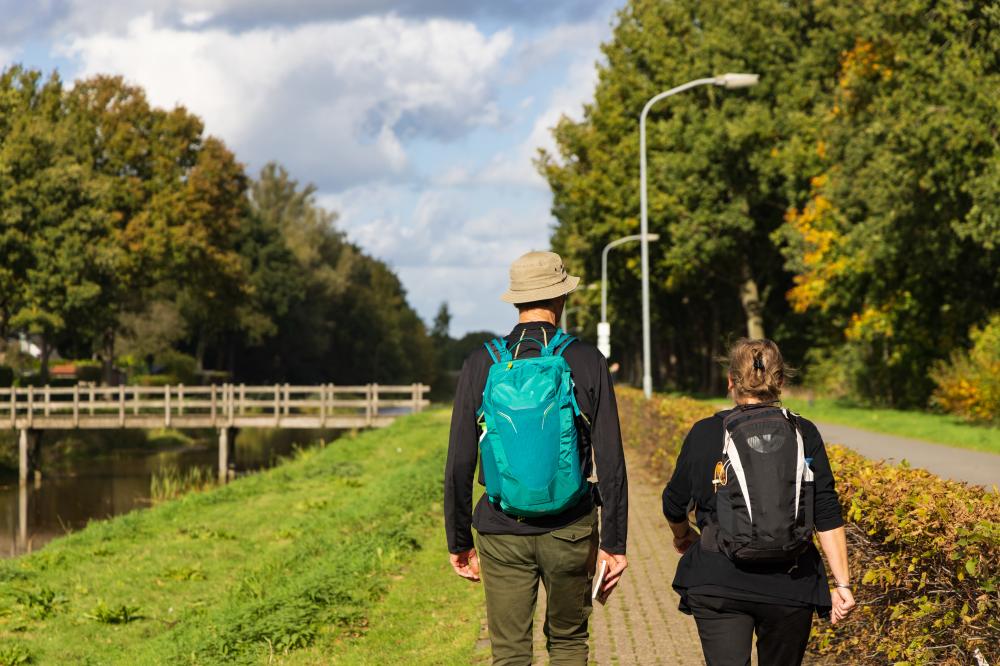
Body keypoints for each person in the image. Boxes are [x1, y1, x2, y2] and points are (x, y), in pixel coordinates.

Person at [444, 250, 628, 666]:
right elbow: (612, 462)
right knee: (567, 643)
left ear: (516, 301)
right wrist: (614, 543)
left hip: (500, 531)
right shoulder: (586, 360)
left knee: (509, 652)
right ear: (561, 298)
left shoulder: (481, 363)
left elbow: (458, 462)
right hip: (572, 530)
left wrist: (459, 541)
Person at [662, 338, 855, 666]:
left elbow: (674, 502)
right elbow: (826, 512)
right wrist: (842, 584)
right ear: (780, 382)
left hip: (719, 581)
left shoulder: (706, 432)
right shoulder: (804, 432)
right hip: (791, 584)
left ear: (730, 382)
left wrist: (682, 535)